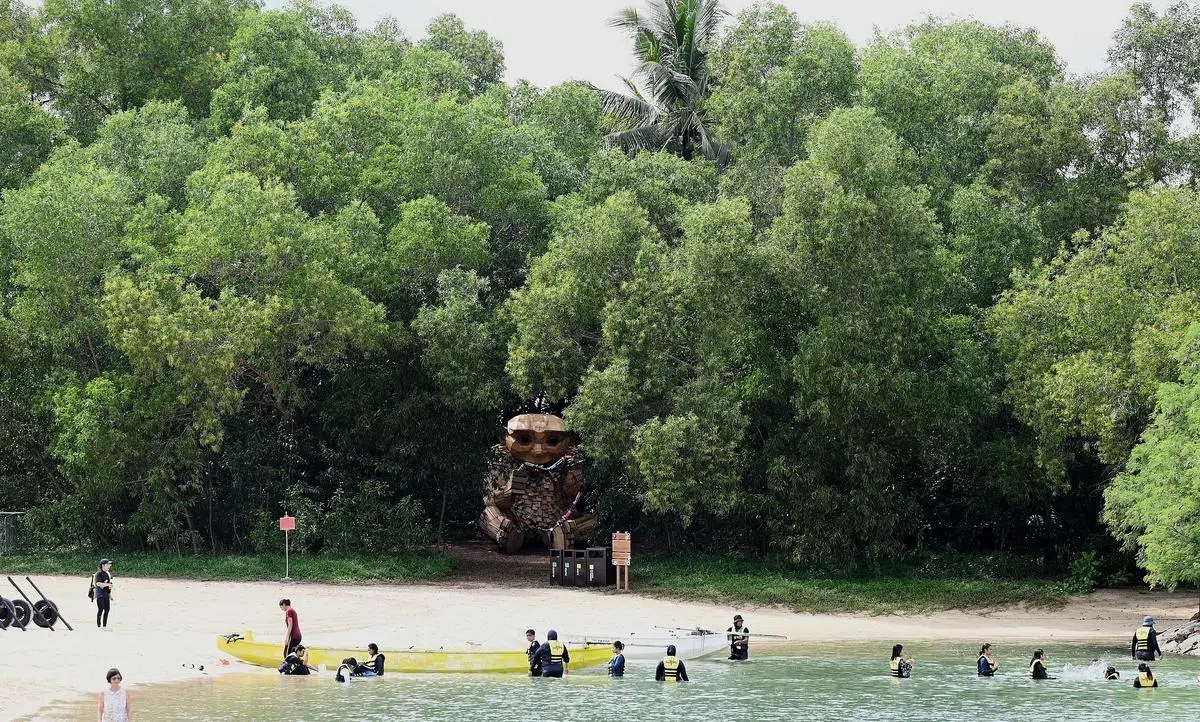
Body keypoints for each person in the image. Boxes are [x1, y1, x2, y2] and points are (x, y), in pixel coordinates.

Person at [93, 559, 114, 629]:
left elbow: (107, 586)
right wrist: (108, 584)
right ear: (103, 565)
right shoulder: (98, 573)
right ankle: (98, 625)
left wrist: (110, 595)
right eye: (107, 564)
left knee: (107, 609)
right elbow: (98, 584)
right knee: (101, 609)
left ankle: (104, 626)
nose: (109, 566)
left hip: (106, 594)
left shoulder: (107, 574)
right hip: (99, 594)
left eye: (109, 565)